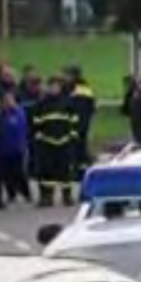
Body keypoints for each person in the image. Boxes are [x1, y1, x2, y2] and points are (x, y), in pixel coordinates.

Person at [33, 77, 79, 208]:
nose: (54, 89)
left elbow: (74, 120)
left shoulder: (67, 103)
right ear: (48, 88)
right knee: (47, 171)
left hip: (64, 141)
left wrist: (72, 135)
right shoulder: (42, 104)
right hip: (47, 142)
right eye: (52, 86)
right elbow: (36, 122)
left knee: (65, 170)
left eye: (56, 86)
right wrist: (39, 137)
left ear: (60, 88)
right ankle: (47, 197)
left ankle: (67, 196)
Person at [0, 91, 33, 205]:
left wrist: (23, 145)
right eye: (5, 100)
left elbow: (22, 129)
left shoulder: (19, 113)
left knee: (19, 173)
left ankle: (26, 193)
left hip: (17, 149)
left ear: (14, 101)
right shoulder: (0, 114)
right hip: (3, 149)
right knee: (6, 175)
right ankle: (11, 194)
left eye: (10, 100)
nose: (8, 102)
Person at [64, 66, 98, 176]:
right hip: (77, 123)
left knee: (77, 147)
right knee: (78, 147)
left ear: (74, 75)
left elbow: (80, 108)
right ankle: (79, 168)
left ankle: (79, 170)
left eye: (67, 75)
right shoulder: (75, 87)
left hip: (78, 124)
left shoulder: (80, 89)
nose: (65, 77)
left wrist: (78, 124)